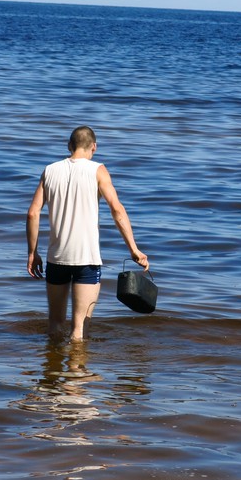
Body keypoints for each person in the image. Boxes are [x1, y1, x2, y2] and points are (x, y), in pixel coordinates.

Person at [26, 126, 149, 341]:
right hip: (87, 260)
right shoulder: (98, 170)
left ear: (69, 146)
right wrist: (133, 249)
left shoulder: (50, 170)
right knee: (79, 330)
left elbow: (33, 213)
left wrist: (32, 253)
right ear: (94, 146)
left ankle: (52, 371)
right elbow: (117, 210)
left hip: (56, 258)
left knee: (55, 325)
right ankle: (77, 373)